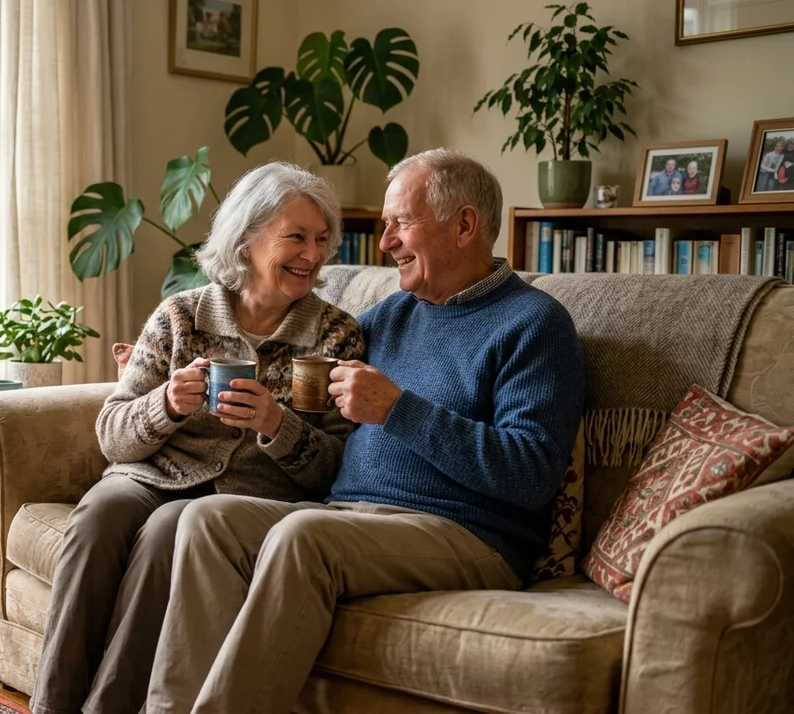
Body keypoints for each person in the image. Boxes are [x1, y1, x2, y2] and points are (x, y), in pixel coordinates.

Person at [145, 149, 586, 714]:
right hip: (351, 515)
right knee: (209, 519)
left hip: (467, 533)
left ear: (465, 225)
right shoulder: (389, 315)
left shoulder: (535, 324)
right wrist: (175, 375)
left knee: (302, 537)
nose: (384, 243)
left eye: (400, 223)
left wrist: (400, 409)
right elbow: (296, 366)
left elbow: (530, 474)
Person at [31, 160, 366, 714]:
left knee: (169, 529)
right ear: (246, 240)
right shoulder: (180, 317)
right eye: (296, 237)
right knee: (97, 517)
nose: (312, 254)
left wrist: (275, 425)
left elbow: (337, 468)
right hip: (151, 474)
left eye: (322, 239)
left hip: (248, 496)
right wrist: (165, 405)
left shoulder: (335, 335)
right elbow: (112, 435)